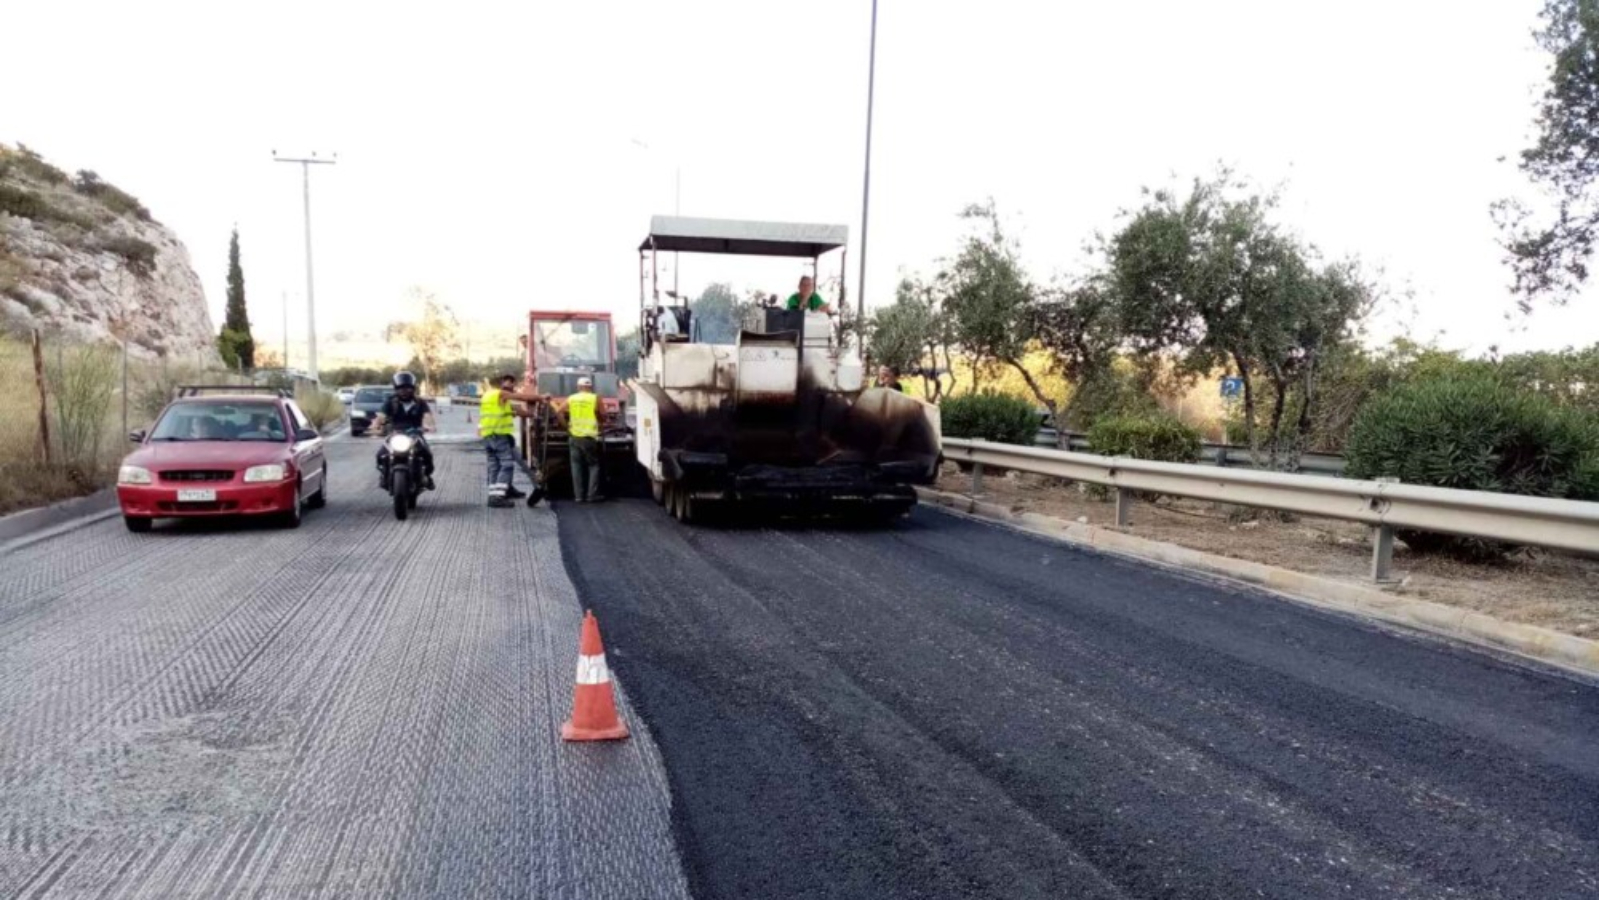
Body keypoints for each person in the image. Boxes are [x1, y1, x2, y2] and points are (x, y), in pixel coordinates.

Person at [481, 373, 542, 508]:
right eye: (510, 383)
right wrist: (541, 397)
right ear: (501, 383)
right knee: (507, 465)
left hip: (489, 436)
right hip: (498, 435)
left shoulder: (489, 396)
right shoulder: (499, 394)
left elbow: (516, 411)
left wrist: (532, 414)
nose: (513, 386)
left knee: (494, 466)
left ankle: (495, 495)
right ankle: (498, 497)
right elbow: (522, 397)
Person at [374, 371, 437, 490]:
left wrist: (429, 426)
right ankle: (384, 476)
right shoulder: (390, 402)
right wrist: (377, 424)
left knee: (427, 454)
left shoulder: (420, 402)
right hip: (395, 434)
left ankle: (427, 477)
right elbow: (381, 415)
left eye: (407, 388)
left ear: (413, 388)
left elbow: (428, 416)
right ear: (396, 389)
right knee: (380, 455)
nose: (404, 391)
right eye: (400, 388)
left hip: (415, 434)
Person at [567, 376, 603, 503]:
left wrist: (566, 427)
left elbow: (559, 412)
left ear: (578, 387)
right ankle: (591, 495)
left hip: (574, 436)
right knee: (593, 465)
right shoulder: (595, 398)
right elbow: (602, 414)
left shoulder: (571, 398)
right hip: (589, 438)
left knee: (576, 466)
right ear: (590, 387)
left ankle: (578, 496)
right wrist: (602, 425)